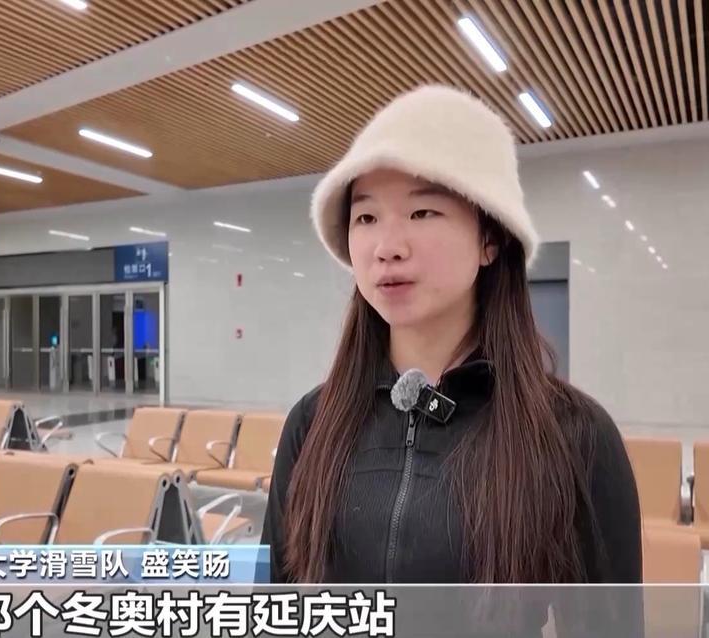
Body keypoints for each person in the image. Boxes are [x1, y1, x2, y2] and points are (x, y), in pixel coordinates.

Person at [262, 86, 642, 590]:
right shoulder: (313, 424)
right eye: (366, 217)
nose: (387, 248)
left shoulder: (575, 437)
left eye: (422, 213)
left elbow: (607, 624)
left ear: (490, 239)